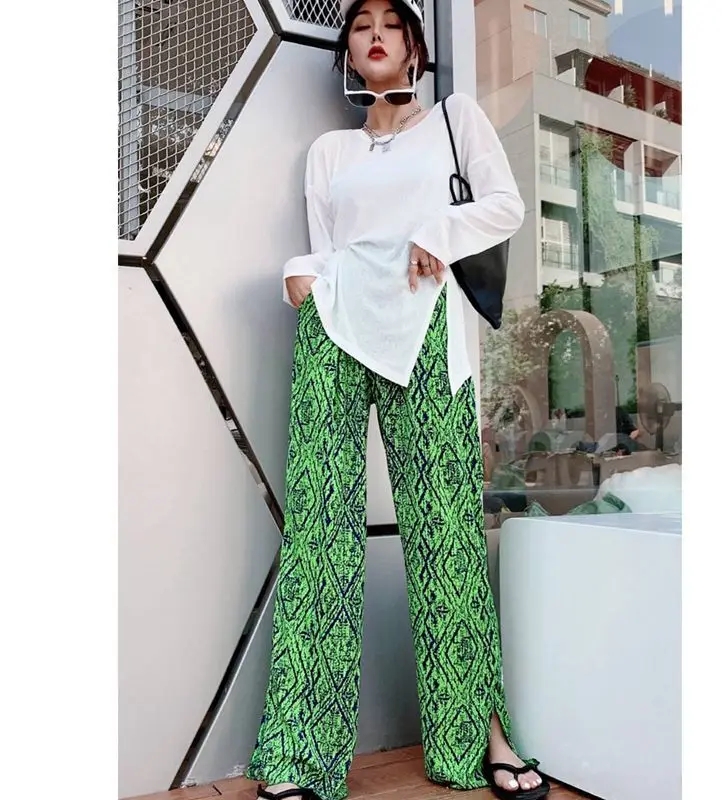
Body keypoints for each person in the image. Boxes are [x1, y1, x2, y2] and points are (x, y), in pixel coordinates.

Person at [246, 2, 548, 799]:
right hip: (336, 328)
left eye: (390, 21)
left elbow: (506, 205)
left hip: (425, 331)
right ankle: (299, 757)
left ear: (414, 44)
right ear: (348, 53)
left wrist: (437, 233)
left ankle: (480, 739)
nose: (374, 33)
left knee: (446, 537)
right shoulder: (329, 151)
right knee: (320, 534)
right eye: (360, 25)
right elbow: (326, 244)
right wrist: (300, 275)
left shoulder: (455, 119)